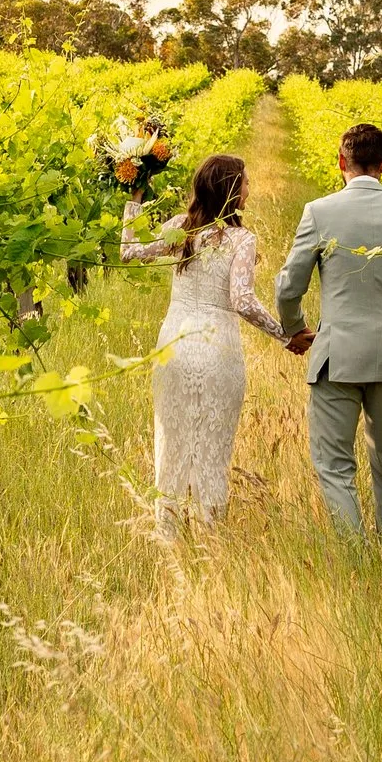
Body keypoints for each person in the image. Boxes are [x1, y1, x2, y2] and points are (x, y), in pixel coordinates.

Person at [273, 121, 382, 554]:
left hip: (336, 357)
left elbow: (287, 287)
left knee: (334, 466)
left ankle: (355, 558)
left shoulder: (319, 212)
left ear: (340, 163)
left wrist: (296, 329)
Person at [120, 151, 285, 540]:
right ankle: (210, 537)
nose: (249, 188)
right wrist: (284, 335)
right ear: (230, 189)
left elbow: (128, 253)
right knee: (213, 444)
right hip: (217, 347)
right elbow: (242, 301)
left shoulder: (181, 228)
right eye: (245, 181)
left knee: (172, 441)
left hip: (174, 344)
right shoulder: (242, 239)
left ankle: (169, 533)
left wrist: (134, 200)